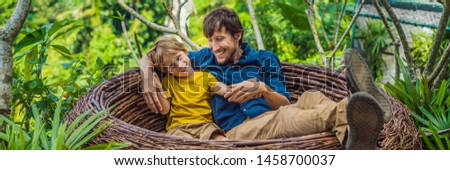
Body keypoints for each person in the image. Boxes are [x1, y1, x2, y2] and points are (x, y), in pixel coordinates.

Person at [139, 8, 391, 149]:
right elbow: (162, 56)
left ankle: (351, 137)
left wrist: (261, 89)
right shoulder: (202, 59)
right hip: (239, 128)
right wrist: (147, 73)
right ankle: (357, 108)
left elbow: (283, 103)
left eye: (220, 39)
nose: (214, 47)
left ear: (237, 35)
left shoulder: (265, 58)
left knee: (311, 97)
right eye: (210, 40)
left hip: (273, 111)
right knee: (286, 117)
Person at [141, 37, 229, 140]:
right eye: (172, 66)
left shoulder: (205, 77)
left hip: (204, 125)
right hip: (179, 128)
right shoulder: (169, 81)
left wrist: (231, 91)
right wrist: (158, 87)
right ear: (168, 71)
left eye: (178, 58)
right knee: (187, 145)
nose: (179, 65)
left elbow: (221, 89)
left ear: (184, 51)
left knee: (223, 141)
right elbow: (164, 110)